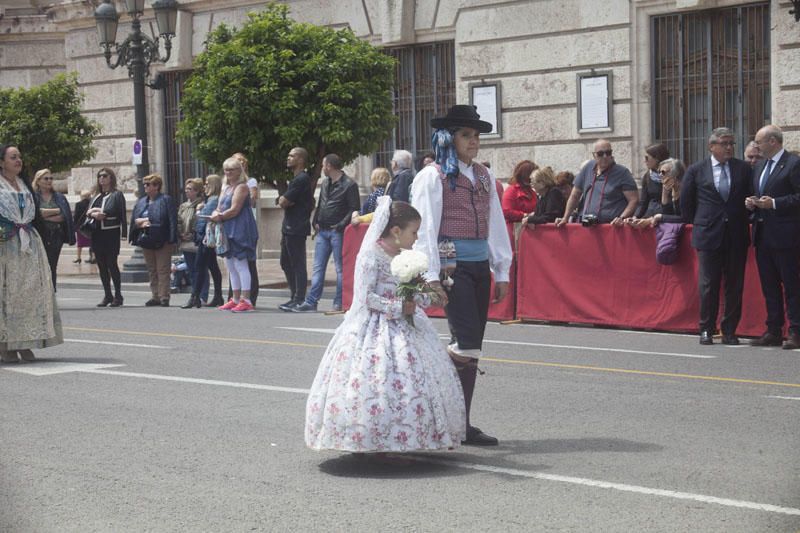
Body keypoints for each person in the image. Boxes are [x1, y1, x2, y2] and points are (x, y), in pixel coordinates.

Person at [305, 197, 465, 452]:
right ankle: (374, 438)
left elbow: (415, 292)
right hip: (375, 326)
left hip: (408, 326)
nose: (416, 238)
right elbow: (365, 297)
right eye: (414, 232)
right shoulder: (371, 256)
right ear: (396, 231)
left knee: (417, 379)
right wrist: (398, 307)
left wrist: (429, 295)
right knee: (378, 382)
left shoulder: (408, 257)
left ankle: (416, 436)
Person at [411, 104, 513, 446]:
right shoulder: (433, 176)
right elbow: (425, 226)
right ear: (448, 138)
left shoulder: (484, 176)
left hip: (479, 266)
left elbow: (496, 224)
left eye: (476, 136)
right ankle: (438, 398)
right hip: (452, 268)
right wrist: (432, 274)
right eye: (466, 135)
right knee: (466, 343)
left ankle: (461, 424)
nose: (474, 142)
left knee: (473, 348)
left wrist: (502, 270)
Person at [680, 127, 752, 345]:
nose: (729, 147)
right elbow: (686, 203)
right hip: (709, 233)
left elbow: (750, 196)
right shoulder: (696, 170)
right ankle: (706, 328)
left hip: (736, 234)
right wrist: (702, 222)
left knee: (734, 284)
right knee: (708, 284)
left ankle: (729, 329)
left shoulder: (743, 168)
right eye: (724, 143)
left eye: (732, 143)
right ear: (712, 146)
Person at [0, 144, 63, 363]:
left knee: (28, 296)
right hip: (4, 246)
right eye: (13, 157)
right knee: (6, 295)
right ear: (1, 162)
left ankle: (25, 341)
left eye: (19, 157)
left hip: (27, 246)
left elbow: (33, 214)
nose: (18, 160)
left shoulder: (24, 185)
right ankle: (5, 344)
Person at [746, 125, 800, 350]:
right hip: (763, 233)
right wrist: (752, 203)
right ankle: (773, 329)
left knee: (791, 285)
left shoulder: (793, 164)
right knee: (769, 285)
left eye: (759, 142)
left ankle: (795, 330)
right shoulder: (760, 166)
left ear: (773, 141)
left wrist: (775, 203)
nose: (756, 147)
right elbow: (759, 195)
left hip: (786, 234)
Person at [294, 153, 361, 313]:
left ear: (329, 166)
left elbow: (354, 208)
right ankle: (311, 302)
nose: (322, 168)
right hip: (322, 231)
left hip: (337, 232)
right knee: (318, 267)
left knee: (340, 269)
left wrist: (340, 225)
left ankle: (339, 302)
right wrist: (315, 220)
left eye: (324, 165)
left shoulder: (349, 185)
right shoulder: (325, 183)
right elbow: (321, 204)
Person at [212, 157, 259, 312]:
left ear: (240, 171)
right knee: (230, 265)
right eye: (226, 169)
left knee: (241, 264)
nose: (228, 172)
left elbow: (235, 209)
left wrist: (220, 216)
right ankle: (235, 298)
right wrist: (215, 213)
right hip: (228, 227)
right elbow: (219, 206)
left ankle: (246, 299)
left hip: (240, 228)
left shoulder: (242, 187)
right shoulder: (226, 187)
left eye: (232, 169)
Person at [555, 139, 638, 227]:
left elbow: (633, 200)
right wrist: (565, 218)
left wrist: (621, 218)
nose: (605, 156)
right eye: (600, 154)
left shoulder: (622, 172)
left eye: (608, 153)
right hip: (587, 225)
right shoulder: (588, 168)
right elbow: (574, 196)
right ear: (594, 155)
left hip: (611, 227)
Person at [130, 173, 178, 307]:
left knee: (162, 269)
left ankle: (164, 296)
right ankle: (155, 295)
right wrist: (138, 224)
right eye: (144, 184)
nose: (145, 187)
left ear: (156, 186)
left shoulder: (165, 200)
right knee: (152, 269)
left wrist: (172, 238)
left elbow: (171, 219)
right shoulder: (141, 201)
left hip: (162, 239)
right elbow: (134, 218)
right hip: (146, 239)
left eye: (148, 184)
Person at [277, 147, 314, 312]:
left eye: (292, 156)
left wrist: (284, 199)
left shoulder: (301, 179)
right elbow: (284, 200)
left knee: (297, 263)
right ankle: (294, 296)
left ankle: (299, 298)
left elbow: (284, 201)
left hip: (296, 227)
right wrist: (283, 199)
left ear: (300, 160)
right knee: (285, 262)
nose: (288, 158)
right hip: (288, 227)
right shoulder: (295, 179)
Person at [86, 167, 127, 307]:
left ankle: (118, 295)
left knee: (111, 263)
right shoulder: (96, 196)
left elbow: (121, 213)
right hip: (97, 234)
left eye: (105, 176)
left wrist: (124, 234)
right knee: (101, 265)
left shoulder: (117, 195)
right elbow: (87, 213)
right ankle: (107, 295)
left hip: (111, 233)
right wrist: (92, 213)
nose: (101, 178)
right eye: (99, 176)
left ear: (111, 178)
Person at [185, 174, 224, 308]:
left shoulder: (213, 199)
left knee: (199, 267)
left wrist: (198, 212)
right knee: (212, 266)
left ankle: (195, 296)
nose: (205, 186)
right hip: (207, 237)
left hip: (205, 238)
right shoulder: (212, 199)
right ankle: (218, 296)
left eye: (208, 183)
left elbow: (203, 219)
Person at [32, 168, 74, 290]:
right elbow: (36, 215)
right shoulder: (34, 197)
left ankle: (52, 292)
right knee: (40, 265)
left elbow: (64, 216)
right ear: (38, 181)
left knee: (52, 265)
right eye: (46, 178)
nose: (49, 181)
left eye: (51, 178)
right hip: (39, 235)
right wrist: (55, 211)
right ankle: (41, 293)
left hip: (56, 235)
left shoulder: (59, 197)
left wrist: (45, 215)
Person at [232, 152, 259, 306]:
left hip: (246, 225)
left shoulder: (250, 182)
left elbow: (253, 201)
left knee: (248, 262)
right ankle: (235, 296)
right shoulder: (228, 184)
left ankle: (250, 296)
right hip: (232, 224)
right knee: (233, 263)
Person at [629, 158, 686, 228]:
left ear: (675, 174)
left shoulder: (685, 190)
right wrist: (664, 193)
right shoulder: (669, 189)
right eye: (659, 172)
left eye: (663, 172)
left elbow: (685, 218)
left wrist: (659, 217)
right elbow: (668, 213)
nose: (660, 175)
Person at [177, 178, 204, 307]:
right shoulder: (183, 206)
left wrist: (193, 234)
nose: (187, 191)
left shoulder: (201, 205)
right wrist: (180, 234)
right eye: (186, 189)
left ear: (197, 191)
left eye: (190, 189)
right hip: (185, 242)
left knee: (200, 269)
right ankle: (194, 296)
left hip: (197, 241)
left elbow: (201, 222)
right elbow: (179, 221)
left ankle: (201, 296)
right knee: (191, 269)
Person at [635, 143, 670, 218]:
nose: (645, 161)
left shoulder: (671, 175)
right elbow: (643, 202)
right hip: (649, 216)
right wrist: (635, 217)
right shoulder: (647, 176)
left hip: (664, 217)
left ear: (657, 159)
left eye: (647, 158)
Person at [72, 189, 94, 264]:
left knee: (80, 243)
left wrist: (74, 226)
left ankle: (78, 257)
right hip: (90, 226)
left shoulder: (78, 204)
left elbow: (76, 216)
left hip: (81, 227)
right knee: (92, 242)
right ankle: (93, 257)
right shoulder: (92, 204)